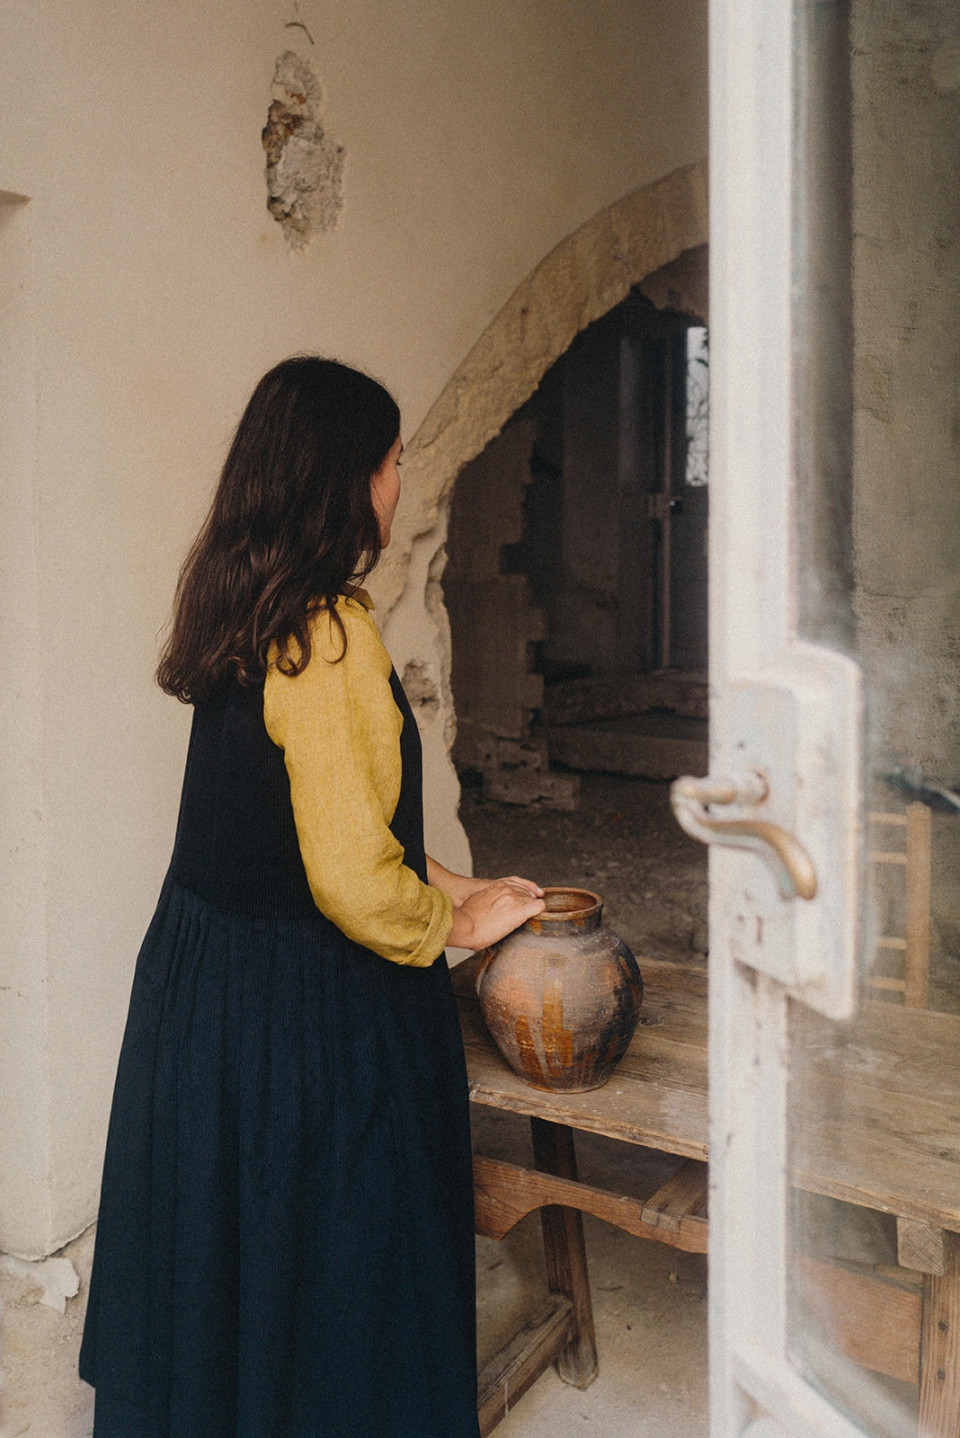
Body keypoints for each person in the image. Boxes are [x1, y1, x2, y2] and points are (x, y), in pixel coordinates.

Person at [79, 356, 545, 1438]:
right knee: (338, 1259)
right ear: (345, 482)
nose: (399, 487)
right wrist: (449, 926)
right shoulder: (330, 638)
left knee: (231, 1255)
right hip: (299, 1006)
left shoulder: (249, 608)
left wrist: (464, 880)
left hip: (208, 993)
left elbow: (327, 816)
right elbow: (345, 877)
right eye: (391, 464)